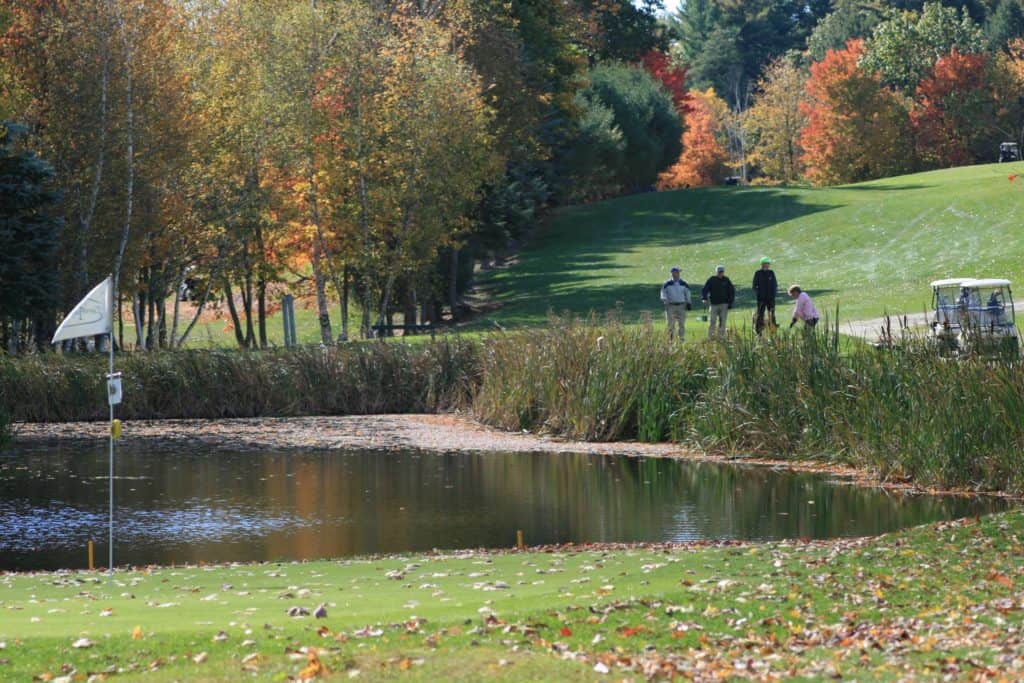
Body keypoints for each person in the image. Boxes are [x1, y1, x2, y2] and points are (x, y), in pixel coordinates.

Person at [701, 265, 735, 339]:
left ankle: (721, 337)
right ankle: (711, 337)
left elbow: (731, 291)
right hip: (713, 305)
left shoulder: (726, 280)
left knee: (722, 322)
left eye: (722, 272)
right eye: (719, 272)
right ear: (716, 272)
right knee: (712, 321)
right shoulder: (711, 280)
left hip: (724, 304)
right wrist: (704, 298)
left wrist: (730, 302)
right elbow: (705, 289)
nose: (720, 273)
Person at [660, 266, 691, 341]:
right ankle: (670, 339)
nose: (676, 274)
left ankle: (681, 338)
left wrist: (689, 303)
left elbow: (687, 293)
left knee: (681, 324)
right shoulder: (667, 284)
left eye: (677, 273)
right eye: (675, 273)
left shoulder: (683, 283)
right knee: (670, 324)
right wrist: (665, 299)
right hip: (670, 306)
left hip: (681, 305)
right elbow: (663, 293)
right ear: (672, 273)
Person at [752, 256, 777, 335]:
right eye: (766, 263)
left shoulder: (771, 273)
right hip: (761, 298)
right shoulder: (758, 273)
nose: (767, 265)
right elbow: (754, 286)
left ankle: (773, 329)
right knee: (760, 314)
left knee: (772, 313)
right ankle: (759, 330)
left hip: (770, 298)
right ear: (762, 264)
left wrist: (773, 294)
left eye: (768, 264)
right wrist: (759, 293)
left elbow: (775, 284)